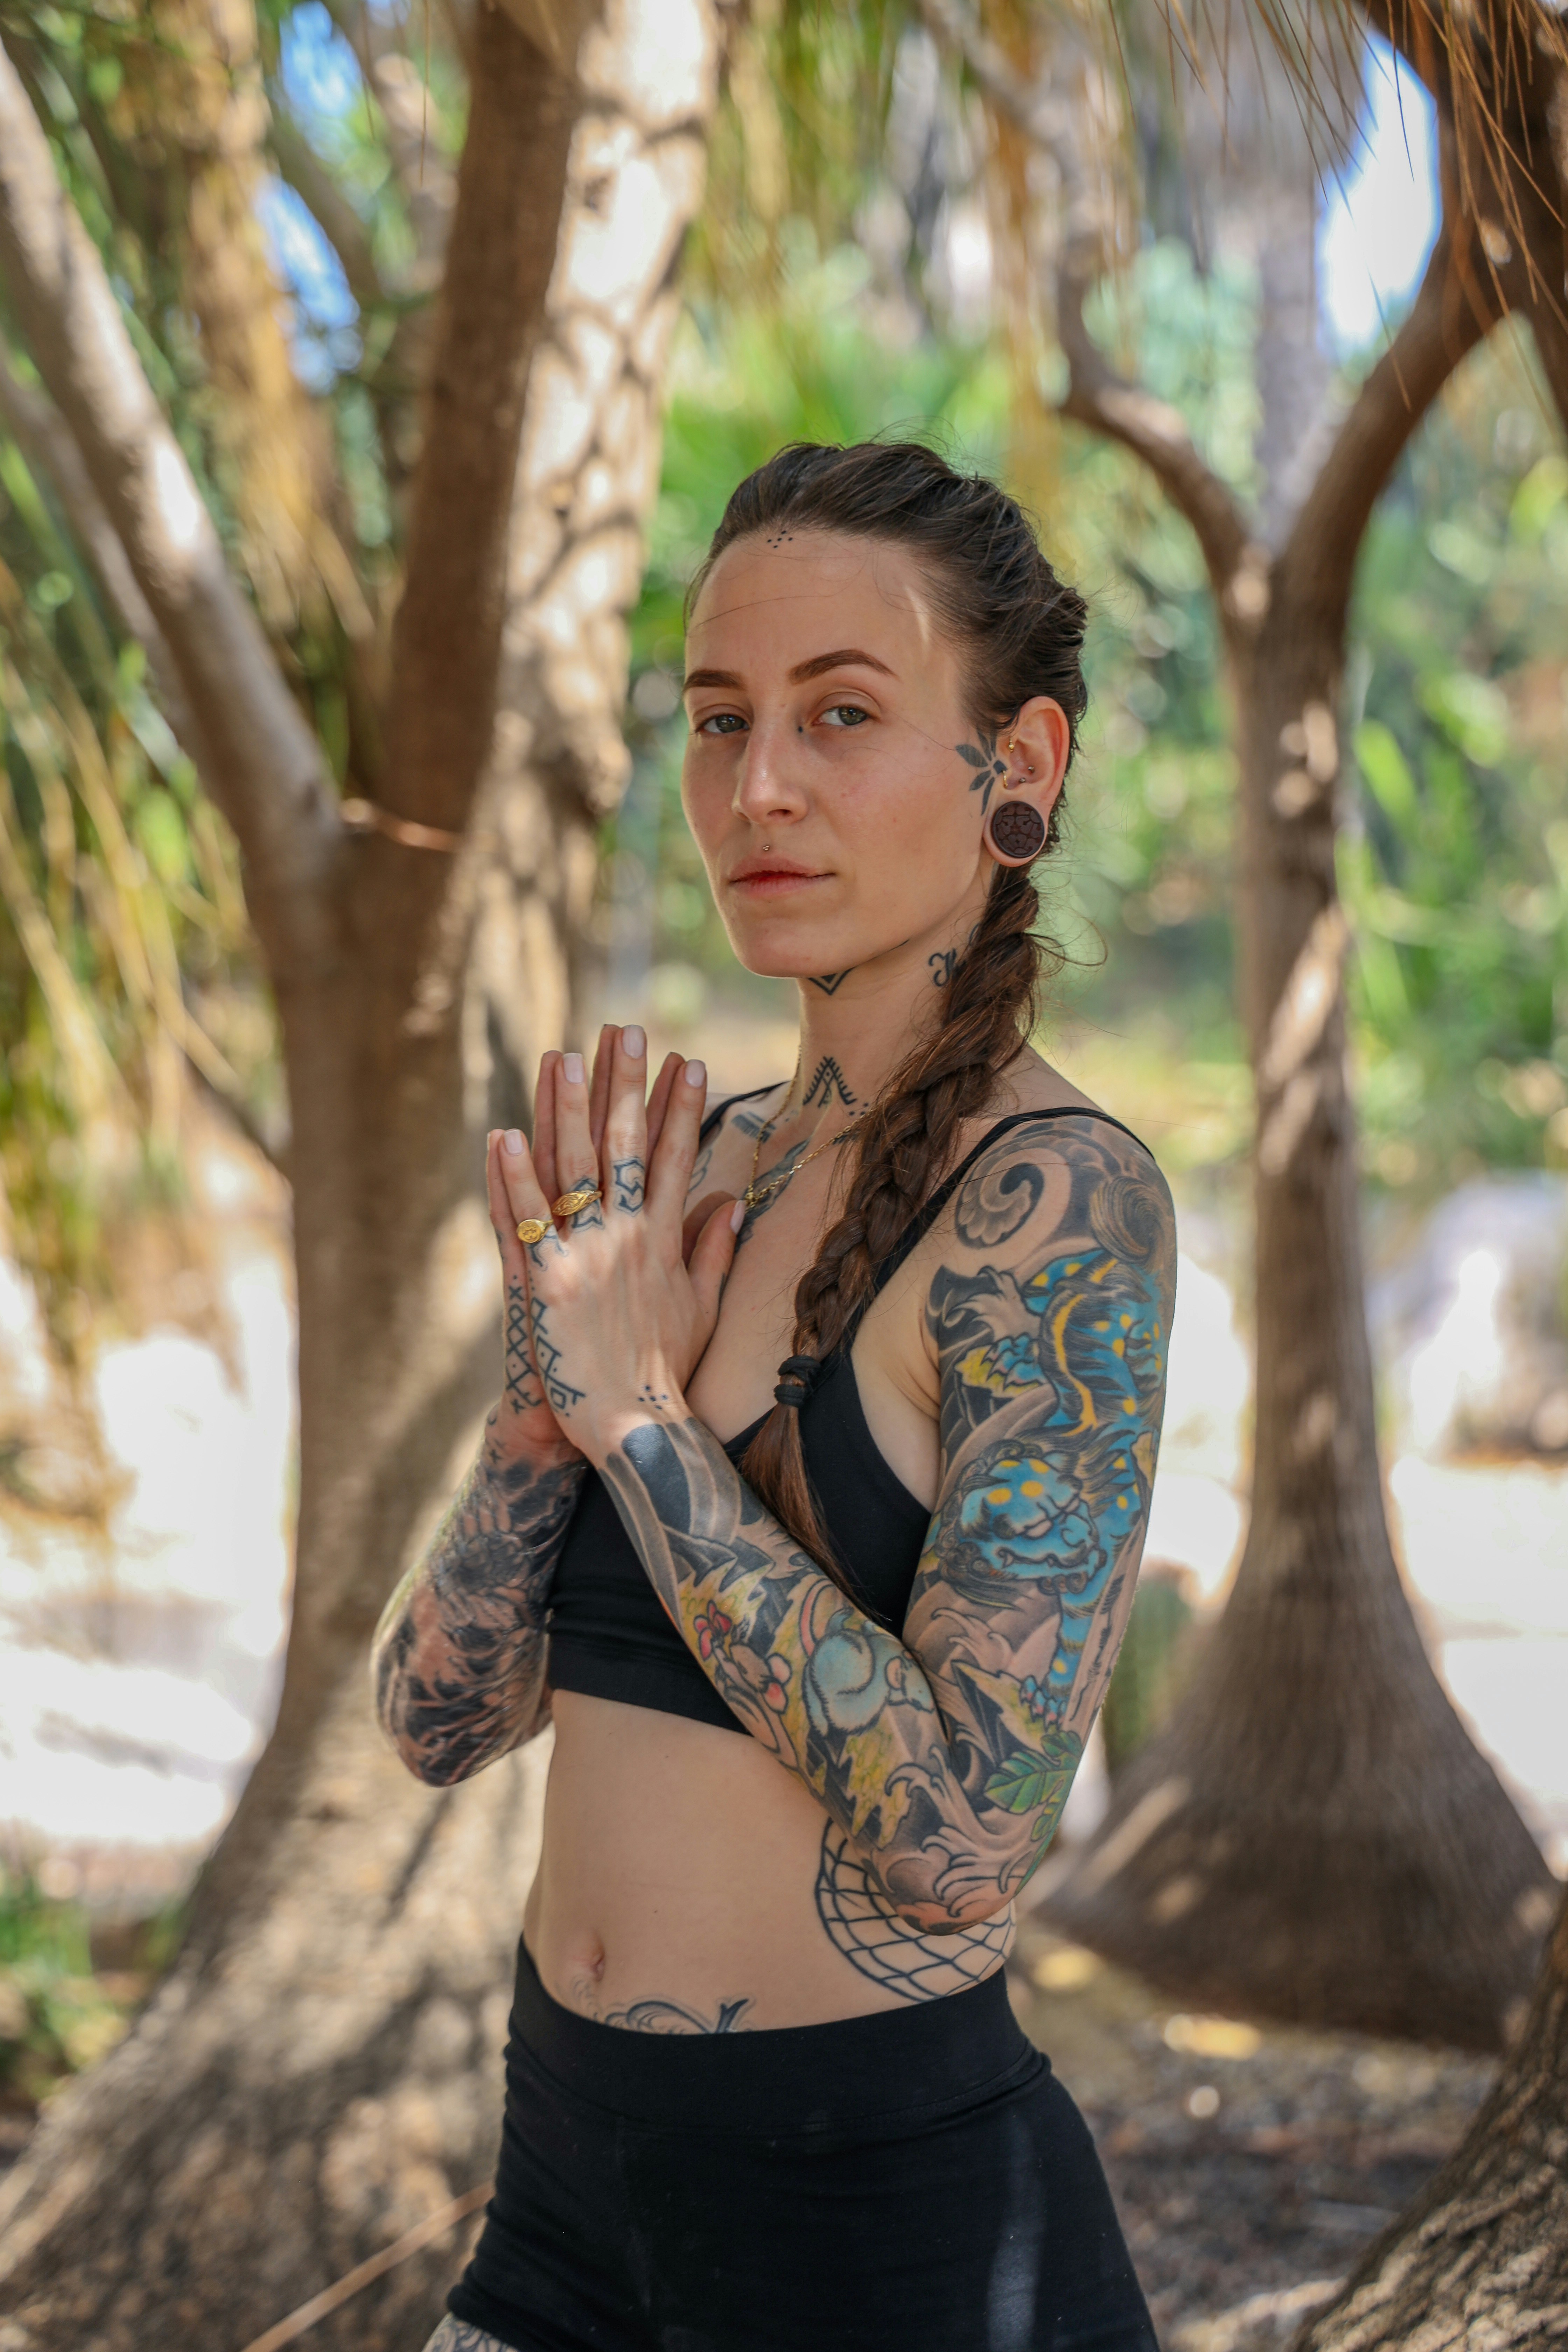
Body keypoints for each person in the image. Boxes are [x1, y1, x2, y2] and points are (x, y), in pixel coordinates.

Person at [373, 439, 1176, 2352]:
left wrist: (647, 1431)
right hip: (559, 2200)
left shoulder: (1055, 1206)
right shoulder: (692, 1175)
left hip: (878, 2244)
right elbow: (433, 1722)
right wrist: (540, 1426)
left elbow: (965, 1842)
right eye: (721, 720)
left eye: (842, 714)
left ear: (1019, 767)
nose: (759, 790)